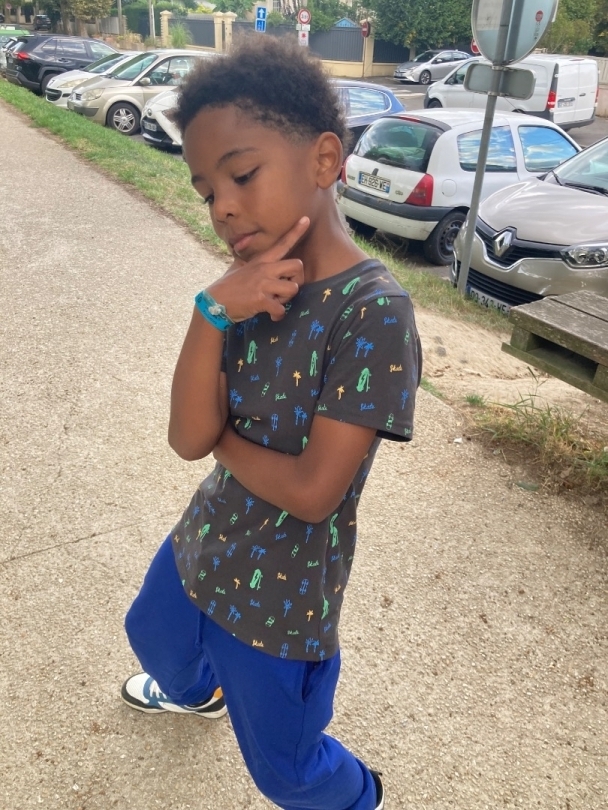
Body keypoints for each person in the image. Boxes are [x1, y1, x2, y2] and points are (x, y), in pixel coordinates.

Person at [121, 35, 422, 810]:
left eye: (242, 174)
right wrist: (210, 311)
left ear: (323, 160)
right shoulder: (245, 290)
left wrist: (223, 439)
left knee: (286, 770)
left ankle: (358, 796)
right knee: (152, 635)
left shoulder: (373, 312)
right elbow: (186, 439)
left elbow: (314, 492)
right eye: (205, 191)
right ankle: (199, 693)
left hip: (280, 605)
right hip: (203, 545)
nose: (222, 205)